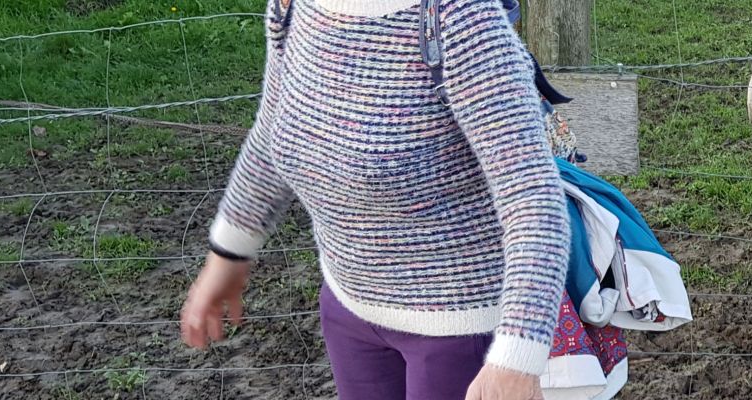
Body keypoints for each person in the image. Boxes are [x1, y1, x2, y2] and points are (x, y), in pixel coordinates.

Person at [177, 1, 569, 399]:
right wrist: (227, 254)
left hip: (459, 331)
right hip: (348, 308)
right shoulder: (292, 7)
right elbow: (270, 133)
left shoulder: (460, 17)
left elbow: (533, 197)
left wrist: (518, 359)